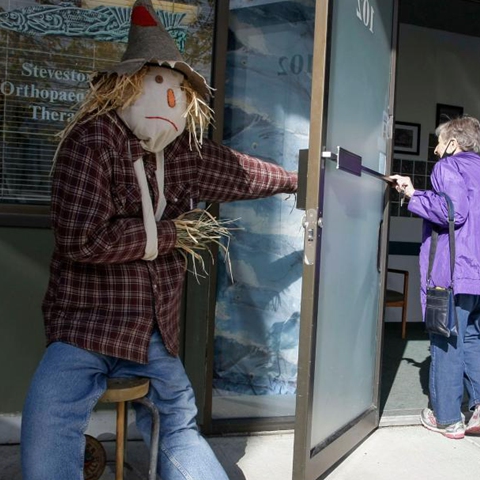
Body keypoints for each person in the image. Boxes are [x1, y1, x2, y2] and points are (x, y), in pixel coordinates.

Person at [20, 1, 297, 478]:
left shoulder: (181, 153)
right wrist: (170, 233)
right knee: (49, 418)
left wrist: (296, 180)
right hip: (84, 329)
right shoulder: (92, 142)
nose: (172, 103)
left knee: (179, 425)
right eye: (159, 86)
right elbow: (81, 240)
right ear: (127, 84)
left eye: (180, 94)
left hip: (152, 335)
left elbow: (239, 172)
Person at [388, 116, 480, 440]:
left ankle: (446, 418)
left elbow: (453, 211)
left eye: (438, 143)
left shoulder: (448, 167)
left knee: (445, 338)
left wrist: (412, 194)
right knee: (471, 333)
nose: (434, 150)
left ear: (452, 143)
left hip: (460, 273)